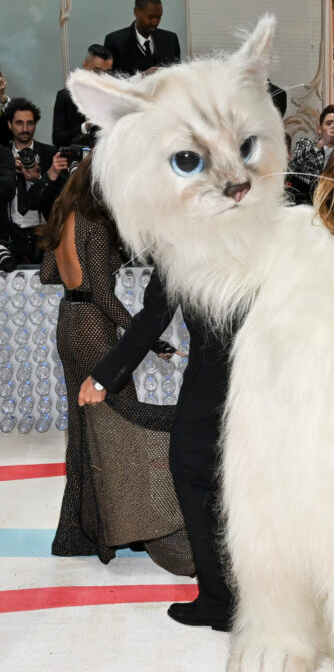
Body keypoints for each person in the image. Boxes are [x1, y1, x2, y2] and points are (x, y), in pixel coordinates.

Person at [78, 268, 235, 630]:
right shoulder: (271, 228)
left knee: (193, 472)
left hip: (213, 382)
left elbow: (153, 318)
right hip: (271, 380)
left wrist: (104, 376)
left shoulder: (181, 241)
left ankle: (220, 600)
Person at [38, 154, 136, 560]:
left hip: (68, 325)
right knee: (122, 424)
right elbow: (102, 295)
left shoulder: (64, 219)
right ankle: (120, 529)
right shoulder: (95, 224)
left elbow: (47, 275)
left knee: (82, 432)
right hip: (95, 329)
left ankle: (80, 532)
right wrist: (144, 334)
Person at [4, 97, 68, 263]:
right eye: (19, 123)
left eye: (30, 123)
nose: (25, 129)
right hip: (11, 238)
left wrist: (40, 178)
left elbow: (63, 197)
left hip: (45, 236)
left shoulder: (50, 154)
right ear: (10, 125)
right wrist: (9, 170)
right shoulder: (3, 156)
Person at [104, 0, 181, 76]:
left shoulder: (171, 40)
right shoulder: (115, 42)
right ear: (136, 12)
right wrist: (140, 78)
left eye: (159, 17)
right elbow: (111, 82)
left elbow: (177, 79)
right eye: (150, 17)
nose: (155, 22)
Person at [287, 104, 334, 203]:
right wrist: (322, 143)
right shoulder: (306, 143)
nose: (333, 128)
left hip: (332, 205)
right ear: (319, 129)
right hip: (303, 203)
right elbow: (292, 162)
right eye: (329, 123)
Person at [52, 45, 113, 146]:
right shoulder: (66, 97)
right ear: (84, 66)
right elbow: (58, 139)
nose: (102, 77)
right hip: (76, 159)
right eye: (97, 71)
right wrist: (86, 126)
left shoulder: (115, 98)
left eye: (108, 72)